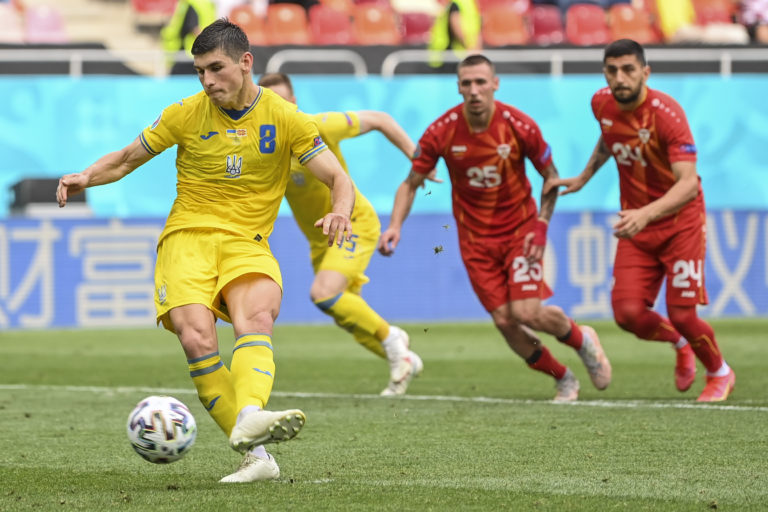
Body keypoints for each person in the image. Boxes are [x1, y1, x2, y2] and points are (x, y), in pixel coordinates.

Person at [56, 19, 356, 482]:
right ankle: (259, 457)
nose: (207, 80)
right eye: (199, 72)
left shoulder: (286, 118)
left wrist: (340, 211)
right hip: (187, 238)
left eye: (216, 68)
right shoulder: (184, 113)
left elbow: (338, 177)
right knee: (198, 340)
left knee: (257, 317)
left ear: (245, 62)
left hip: (247, 241)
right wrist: (86, 176)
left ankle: (250, 414)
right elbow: (126, 159)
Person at [379, 54, 612, 402]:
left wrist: (541, 227)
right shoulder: (442, 130)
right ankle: (563, 378)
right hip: (475, 242)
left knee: (527, 313)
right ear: (458, 87)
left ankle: (583, 341)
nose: (474, 90)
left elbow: (551, 178)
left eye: (481, 82)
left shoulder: (519, 125)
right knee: (505, 322)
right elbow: (411, 183)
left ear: (495, 84)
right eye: (467, 83)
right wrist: (395, 226)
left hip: (520, 232)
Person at [547, 39, 735, 402]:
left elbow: (688, 184)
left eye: (628, 69)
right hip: (637, 225)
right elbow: (610, 136)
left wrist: (645, 214)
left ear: (645, 73)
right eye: (612, 70)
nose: (620, 78)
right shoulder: (601, 103)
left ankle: (720, 373)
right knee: (627, 314)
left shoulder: (667, 115)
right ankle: (680, 344)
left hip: (679, 223)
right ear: (604, 73)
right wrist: (584, 176)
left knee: (683, 314)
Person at [257, 72, 426, 396]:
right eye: (269, 103)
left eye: (282, 101)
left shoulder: (318, 126)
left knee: (324, 293)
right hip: (320, 239)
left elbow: (380, 119)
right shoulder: (263, 146)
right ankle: (403, 357)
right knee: (345, 311)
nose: (276, 109)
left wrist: (418, 159)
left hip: (354, 223)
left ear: (294, 103)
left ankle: (393, 340)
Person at [428, 0, 482, 70]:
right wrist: (471, 47)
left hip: (459, 53)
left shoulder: (461, 3)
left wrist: (472, 48)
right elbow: (456, 26)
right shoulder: (468, 3)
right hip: (450, 53)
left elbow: (475, 27)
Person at [161, 0, 217, 65]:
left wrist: (207, 45)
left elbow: (195, 29)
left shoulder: (191, 4)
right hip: (199, 52)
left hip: (188, 53)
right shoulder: (207, 3)